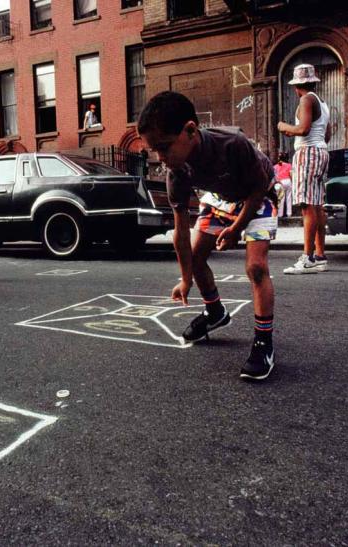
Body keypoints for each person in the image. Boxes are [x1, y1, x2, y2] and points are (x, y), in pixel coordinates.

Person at [138, 91, 278, 381]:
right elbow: (180, 230)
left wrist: (237, 228)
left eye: (164, 148)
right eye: (155, 152)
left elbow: (258, 189)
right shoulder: (176, 171)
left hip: (258, 193)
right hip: (221, 197)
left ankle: (264, 342)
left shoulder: (233, 144)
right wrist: (186, 278)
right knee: (197, 254)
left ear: (190, 130)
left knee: (255, 267)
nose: (162, 158)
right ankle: (214, 312)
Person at [277, 63, 331, 274]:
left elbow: (303, 129)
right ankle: (319, 256)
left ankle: (307, 258)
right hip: (320, 151)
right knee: (317, 205)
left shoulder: (306, 99)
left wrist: (284, 127)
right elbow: (326, 134)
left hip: (307, 153)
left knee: (307, 206)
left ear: (295, 85)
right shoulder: (322, 103)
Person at [273, 151, 293, 218]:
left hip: (280, 182)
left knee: (281, 198)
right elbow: (291, 174)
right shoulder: (289, 165)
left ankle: (280, 214)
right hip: (288, 181)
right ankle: (289, 213)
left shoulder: (275, 166)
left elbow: (274, 176)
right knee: (289, 197)